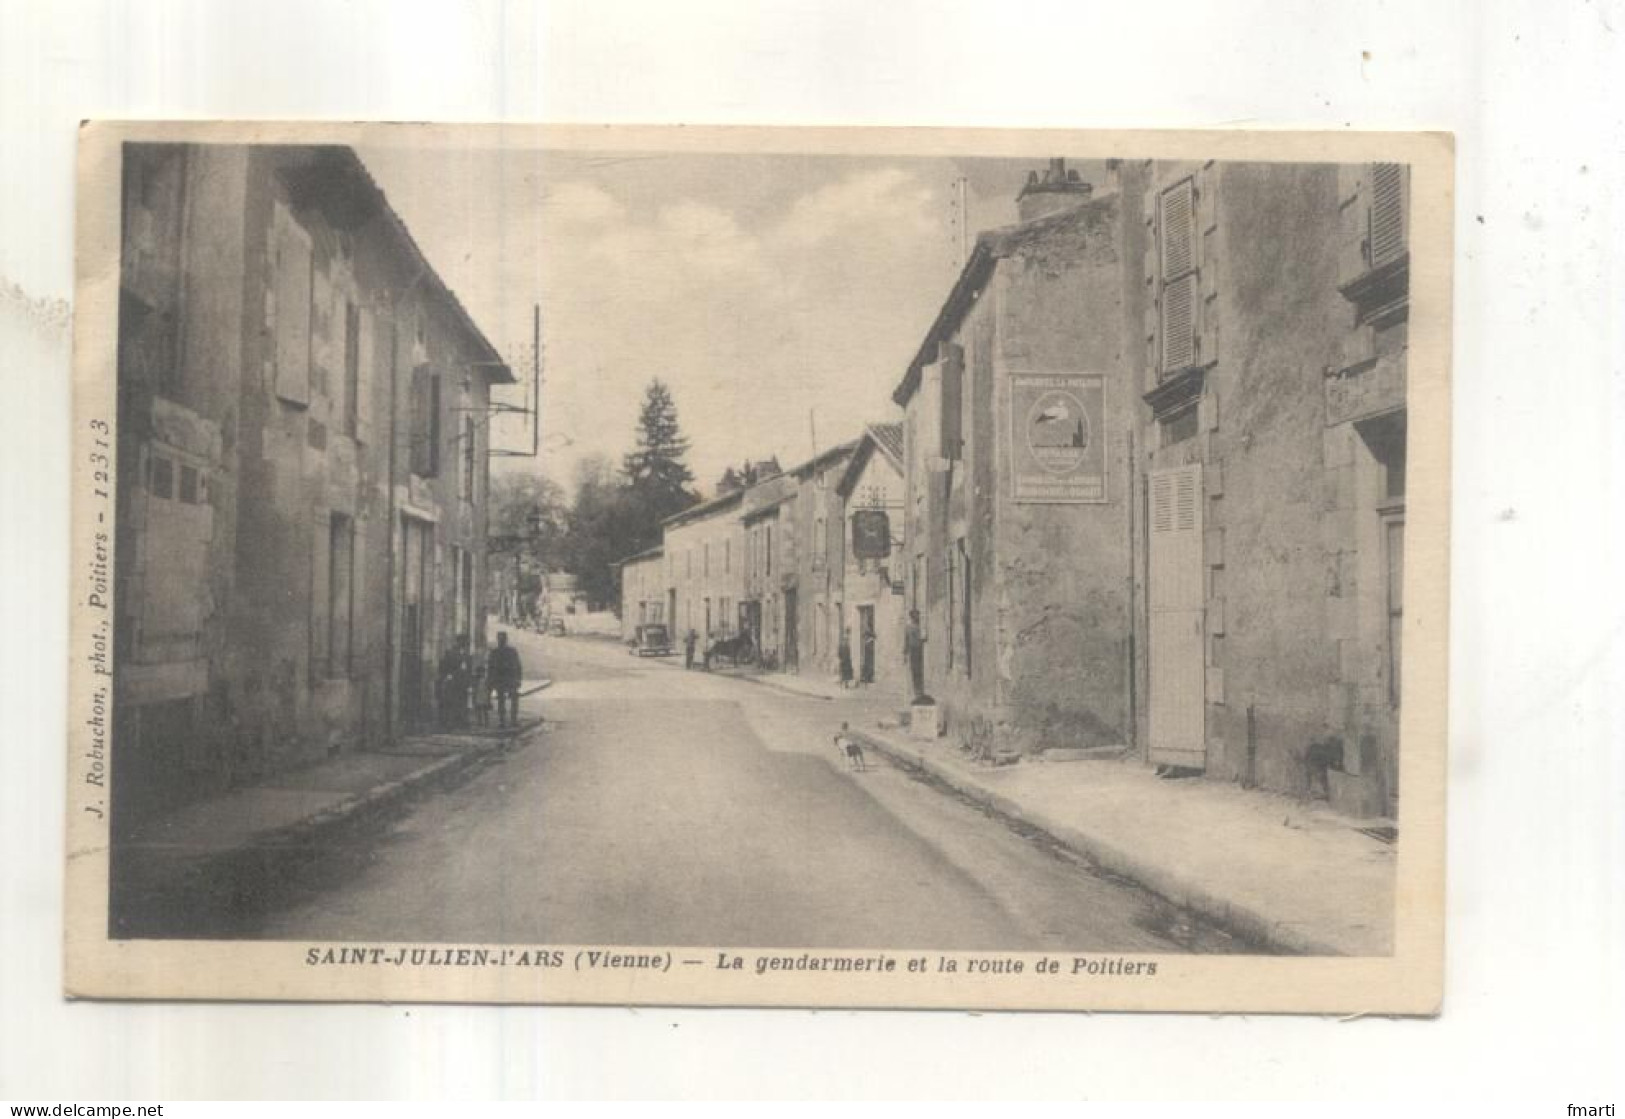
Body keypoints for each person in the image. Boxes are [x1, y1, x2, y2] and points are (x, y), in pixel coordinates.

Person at [487, 630, 523, 729]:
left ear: (506, 640)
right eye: (500, 639)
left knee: (513, 700)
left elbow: (518, 666)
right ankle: (502, 721)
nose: (501, 641)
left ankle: (513, 720)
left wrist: (518, 679)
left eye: (502, 639)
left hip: (510, 679)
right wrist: (490, 681)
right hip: (501, 680)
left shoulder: (511, 651)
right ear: (498, 640)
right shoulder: (495, 652)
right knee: (501, 701)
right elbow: (491, 667)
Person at [437, 637, 471, 730]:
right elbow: (445, 666)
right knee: (452, 702)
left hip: (462, 682)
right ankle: (450, 723)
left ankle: (460, 722)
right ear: (458, 642)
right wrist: (448, 676)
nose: (463, 644)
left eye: (465, 642)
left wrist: (468, 682)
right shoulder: (451, 653)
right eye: (462, 642)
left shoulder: (466, 655)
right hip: (453, 681)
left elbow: (468, 670)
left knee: (462, 702)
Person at [903, 609, 927, 703]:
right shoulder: (909, 628)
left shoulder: (920, 627)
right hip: (913, 651)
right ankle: (917, 692)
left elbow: (922, 638)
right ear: (912, 617)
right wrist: (905, 654)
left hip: (920, 650)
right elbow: (906, 641)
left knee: (920, 671)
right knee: (915, 671)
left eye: (918, 615)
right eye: (916, 616)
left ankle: (920, 692)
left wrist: (923, 640)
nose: (918, 617)